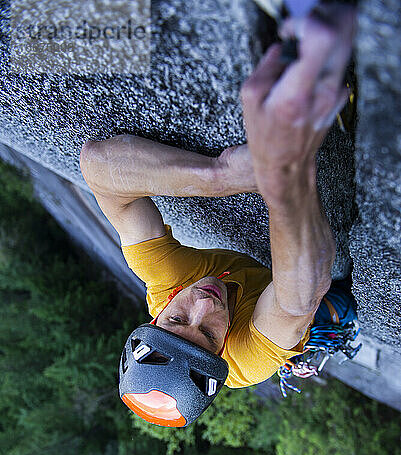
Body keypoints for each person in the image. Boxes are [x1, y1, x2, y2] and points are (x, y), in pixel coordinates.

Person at [80, 3, 358, 427]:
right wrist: (282, 175)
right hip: (307, 307)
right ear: (221, 350)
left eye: (176, 319)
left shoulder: (167, 282)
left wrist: (221, 174)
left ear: (156, 315)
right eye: (209, 334)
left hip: (257, 265)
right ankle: (323, 340)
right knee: (334, 289)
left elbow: (98, 167)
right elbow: (296, 298)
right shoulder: (248, 359)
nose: (201, 306)